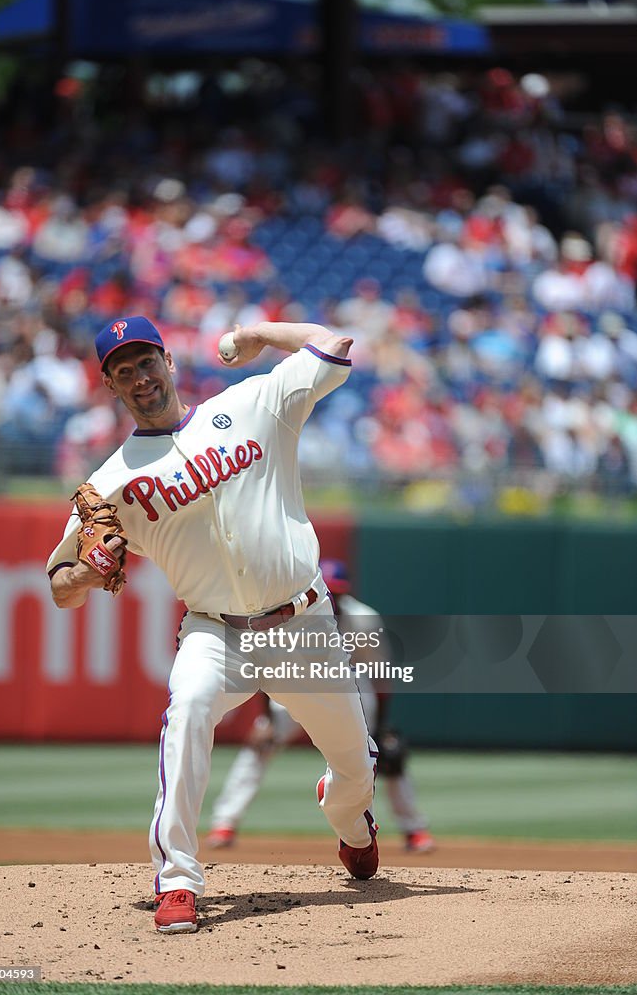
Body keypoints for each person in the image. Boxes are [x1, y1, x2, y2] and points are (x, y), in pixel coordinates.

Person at [46, 315, 379, 935]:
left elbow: (334, 345)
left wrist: (259, 331)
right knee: (188, 711)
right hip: (214, 632)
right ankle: (177, 880)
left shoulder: (252, 403)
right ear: (111, 387)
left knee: (355, 770)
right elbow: (61, 587)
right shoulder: (110, 482)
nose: (140, 377)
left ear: (168, 363)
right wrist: (88, 574)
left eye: (147, 362)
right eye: (124, 371)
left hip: (304, 623)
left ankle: (350, 819)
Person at [208, 558, 435, 854]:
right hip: (294, 682)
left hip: (349, 686)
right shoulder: (290, 616)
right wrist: (267, 721)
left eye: (338, 591)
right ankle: (225, 822)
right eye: (329, 590)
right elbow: (266, 668)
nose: (334, 596)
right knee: (259, 745)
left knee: (386, 753)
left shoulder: (363, 619)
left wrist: (380, 728)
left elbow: (379, 677)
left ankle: (413, 829)